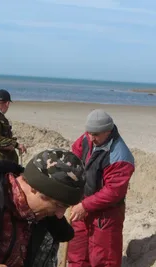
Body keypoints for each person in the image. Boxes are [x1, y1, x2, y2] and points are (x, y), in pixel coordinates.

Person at [67, 109, 135, 267]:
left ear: (108, 131)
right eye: (89, 133)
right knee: (77, 254)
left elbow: (113, 192)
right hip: (81, 205)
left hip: (106, 215)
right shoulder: (87, 137)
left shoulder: (120, 156)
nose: (91, 138)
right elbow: (76, 154)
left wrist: (85, 205)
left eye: (96, 134)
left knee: (104, 259)